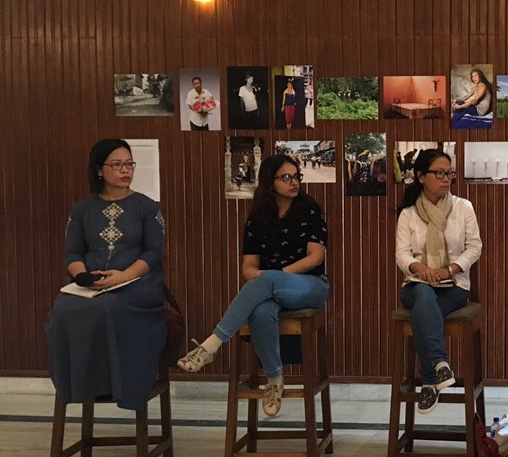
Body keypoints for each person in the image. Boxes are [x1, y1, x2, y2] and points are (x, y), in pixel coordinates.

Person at [177, 154, 329, 416]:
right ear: (270, 183)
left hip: (310, 285)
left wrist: (276, 277)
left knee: (268, 279)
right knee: (260, 312)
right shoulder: (257, 218)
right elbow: (248, 268)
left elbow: (316, 257)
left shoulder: (310, 209)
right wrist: (268, 280)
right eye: (286, 177)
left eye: (296, 177)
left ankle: (210, 345)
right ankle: (274, 380)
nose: (294, 182)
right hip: (269, 289)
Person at [45, 139, 167, 411]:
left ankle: (118, 386)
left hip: (138, 287)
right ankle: (77, 386)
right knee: (63, 311)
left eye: (129, 164)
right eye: (117, 165)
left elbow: (152, 254)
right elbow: (73, 255)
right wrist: (83, 278)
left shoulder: (147, 208)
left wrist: (122, 277)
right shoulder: (82, 210)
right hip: (90, 285)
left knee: (109, 307)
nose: (126, 170)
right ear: (100, 170)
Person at [395, 149, 483, 413]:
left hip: (453, 287)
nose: (446, 179)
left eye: (449, 174)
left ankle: (431, 380)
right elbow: (402, 254)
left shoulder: (462, 207)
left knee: (424, 309)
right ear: (421, 177)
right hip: (416, 283)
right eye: (439, 173)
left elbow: (474, 247)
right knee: (422, 295)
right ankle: (441, 364)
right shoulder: (409, 213)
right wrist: (421, 269)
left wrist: (450, 269)